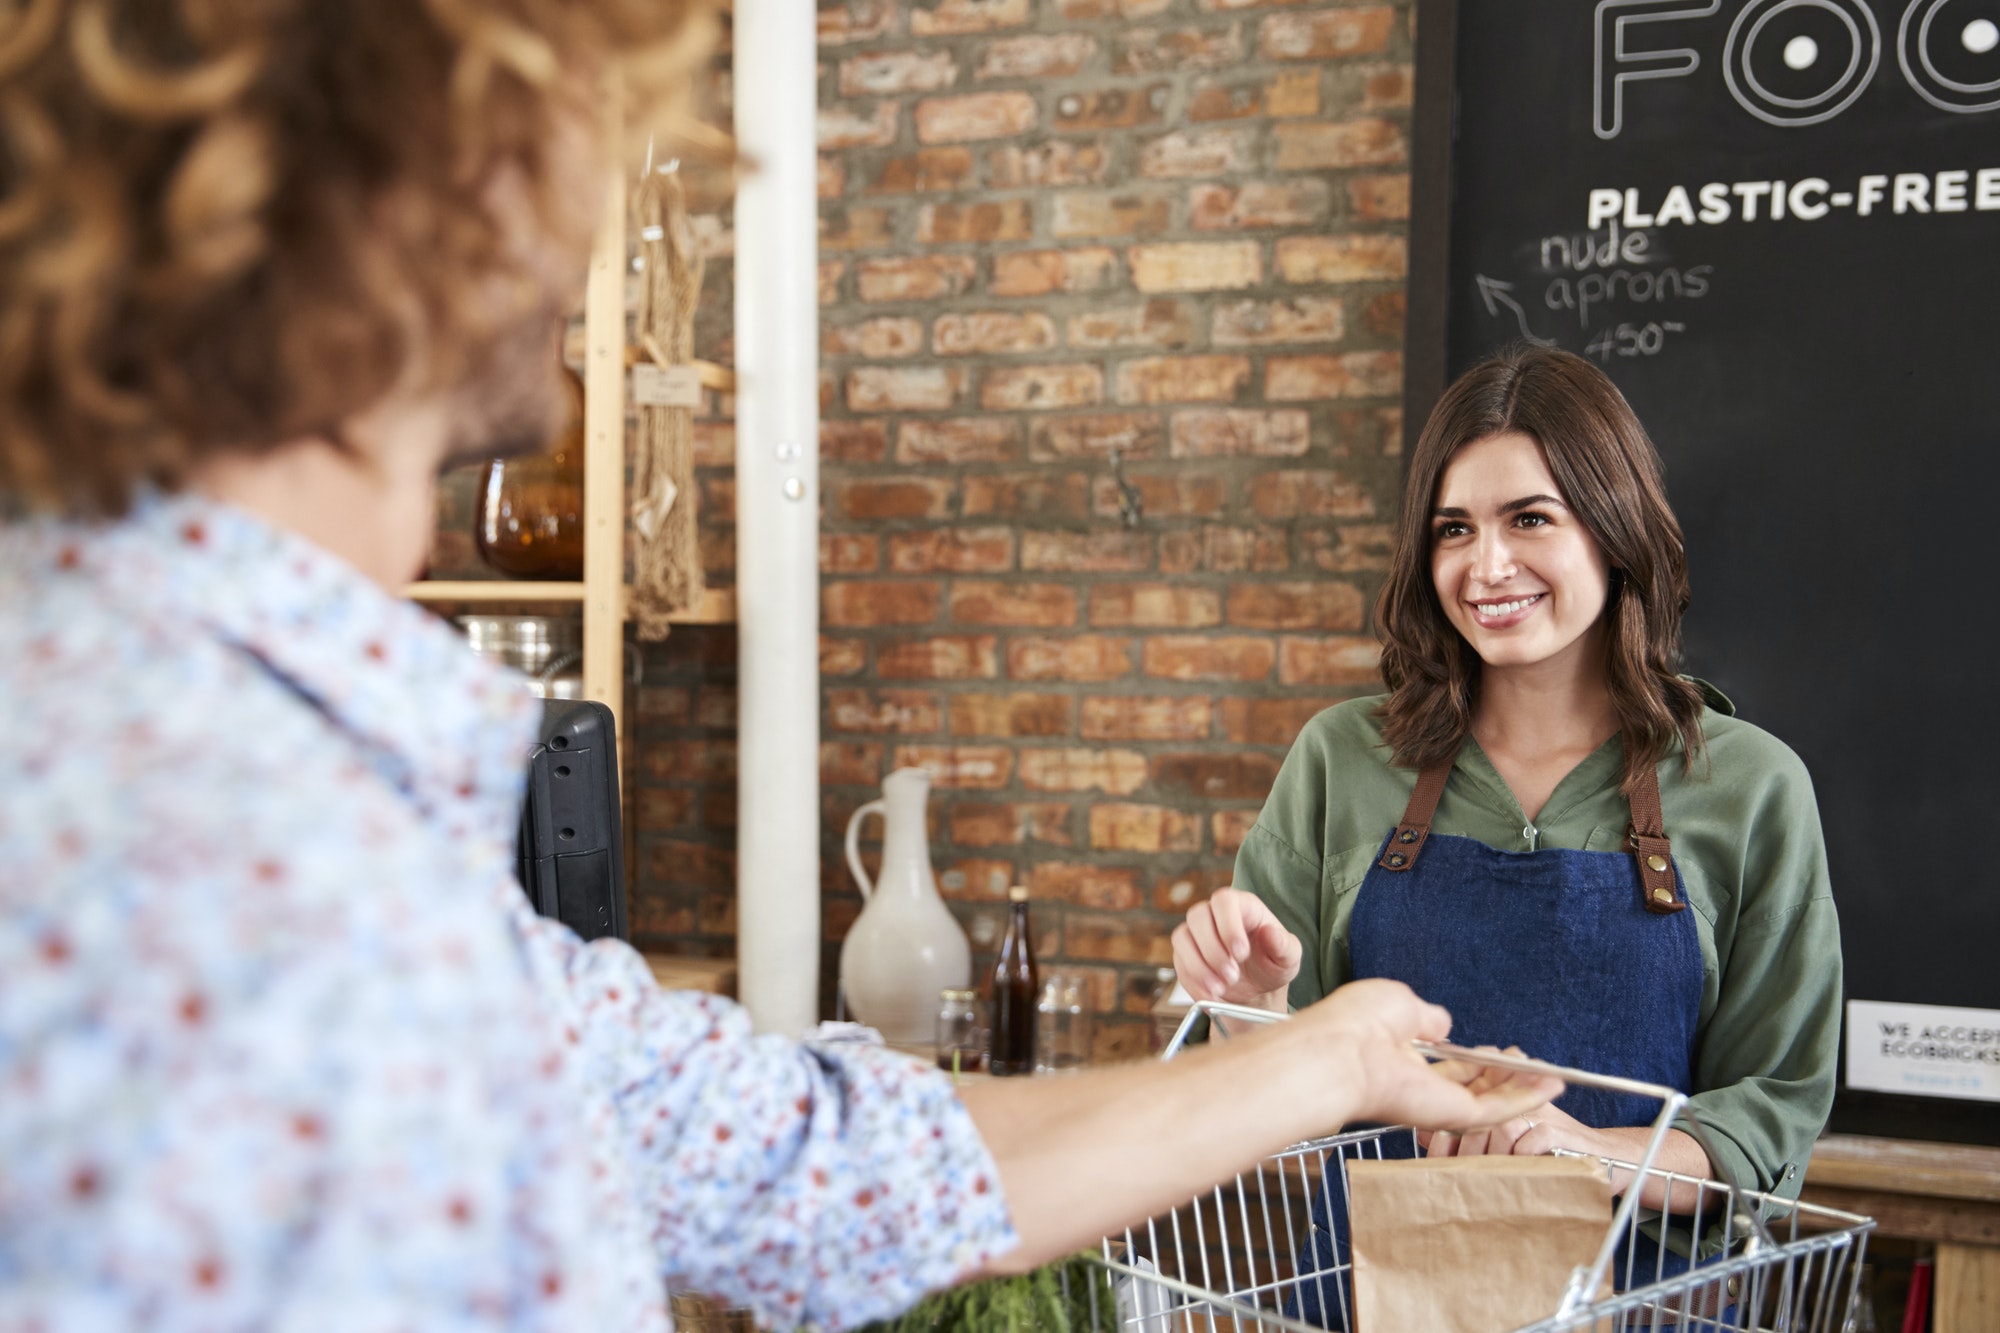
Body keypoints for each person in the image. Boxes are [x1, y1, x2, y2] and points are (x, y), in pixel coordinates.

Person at [0, 4, 1559, 1329]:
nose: (577, 225)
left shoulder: (220, 752)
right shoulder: (233, 844)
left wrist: (1332, 1057)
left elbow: (795, 1155)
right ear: (390, 232)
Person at [1173, 345, 1842, 1315]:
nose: (1486, 566)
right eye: (1453, 529)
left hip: (1643, 1303)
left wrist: (1585, 1152)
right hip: (1372, 1302)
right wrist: (1254, 1007)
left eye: (1529, 518)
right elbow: (1271, 1093)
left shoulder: (1746, 785)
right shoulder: (1339, 760)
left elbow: (1771, 1103)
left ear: (1611, 530)